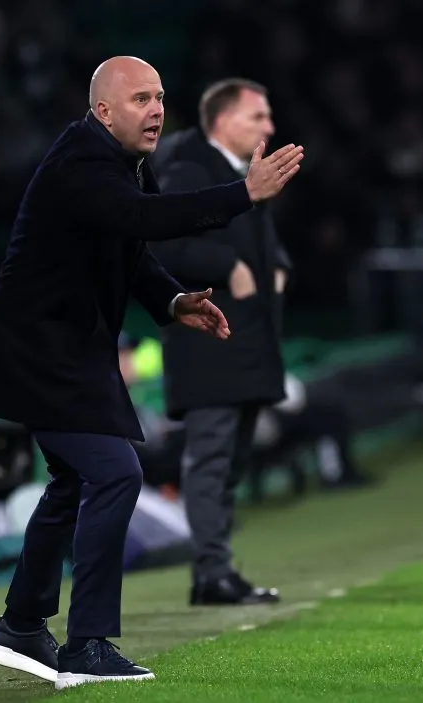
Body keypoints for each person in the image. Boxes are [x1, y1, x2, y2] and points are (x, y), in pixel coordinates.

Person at [0, 56, 303, 689]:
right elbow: (142, 221)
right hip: (38, 352)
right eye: (141, 100)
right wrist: (241, 195)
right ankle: (86, 644)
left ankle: (20, 625)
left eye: (160, 98)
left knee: (73, 483)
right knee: (116, 473)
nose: (156, 111)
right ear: (103, 112)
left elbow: (132, 248)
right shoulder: (81, 165)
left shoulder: (117, 162)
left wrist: (173, 301)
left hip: (65, 351)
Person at [149, 78, 293, 607]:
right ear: (223, 121)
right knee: (211, 461)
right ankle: (212, 574)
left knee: (229, 463)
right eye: (258, 117)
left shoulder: (237, 173)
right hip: (208, 342)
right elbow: (162, 243)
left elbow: (263, 240)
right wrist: (225, 265)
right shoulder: (189, 170)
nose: (268, 127)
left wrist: (276, 265)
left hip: (247, 341)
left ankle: (216, 570)